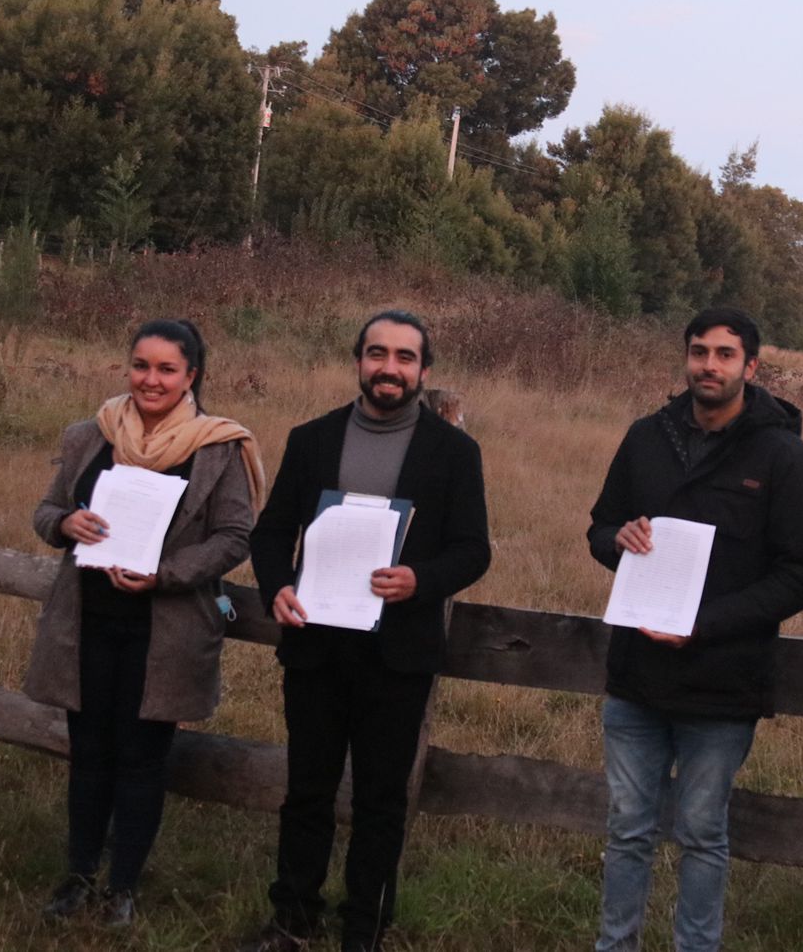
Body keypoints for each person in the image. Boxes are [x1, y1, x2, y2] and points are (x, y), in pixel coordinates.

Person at [241, 310, 490, 952]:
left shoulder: (454, 452)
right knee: (307, 791)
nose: (389, 367)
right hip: (316, 645)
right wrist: (278, 587)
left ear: (424, 371)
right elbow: (271, 533)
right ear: (359, 361)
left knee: (381, 801)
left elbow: (473, 551)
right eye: (377, 353)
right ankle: (293, 918)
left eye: (405, 357)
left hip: (398, 654)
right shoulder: (312, 439)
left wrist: (420, 580)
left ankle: (365, 928)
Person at [588, 306, 803, 952]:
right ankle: (616, 945)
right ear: (686, 358)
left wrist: (704, 623)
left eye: (725, 354)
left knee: (701, 832)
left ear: (752, 366)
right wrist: (618, 539)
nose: (709, 365)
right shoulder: (647, 437)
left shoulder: (784, 457)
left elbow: (801, 576)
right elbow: (600, 528)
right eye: (699, 352)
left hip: (722, 685)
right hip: (636, 678)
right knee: (627, 828)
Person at [26, 318, 263, 926]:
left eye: (165, 369)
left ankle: (123, 887)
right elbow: (47, 510)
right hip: (86, 622)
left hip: (165, 633)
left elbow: (235, 536)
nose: (150, 380)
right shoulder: (90, 434)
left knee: (141, 757)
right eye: (140, 365)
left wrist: (166, 573)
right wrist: (64, 524)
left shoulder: (217, 449)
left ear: (191, 376)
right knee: (88, 752)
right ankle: (78, 875)